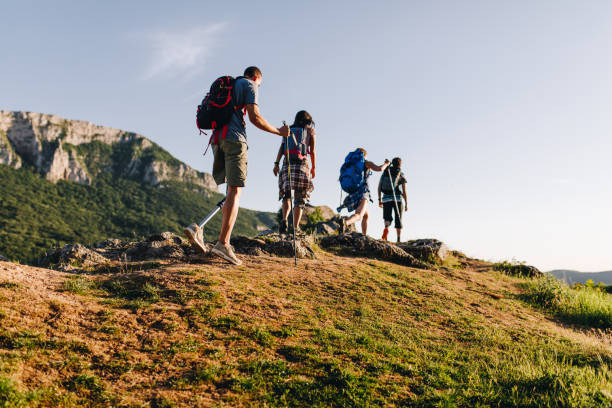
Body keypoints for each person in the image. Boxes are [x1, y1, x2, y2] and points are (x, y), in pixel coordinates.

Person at [185, 66, 289, 265]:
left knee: (230, 192)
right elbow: (254, 117)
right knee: (235, 191)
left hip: (217, 141)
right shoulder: (250, 85)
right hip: (234, 139)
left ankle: (199, 228)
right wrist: (278, 131)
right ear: (257, 77)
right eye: (260, 83)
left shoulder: (229, 86)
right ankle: (223, 244)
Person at [273, 111, 316, 234]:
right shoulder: (310, 132)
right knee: (300, 198)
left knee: (286, 195)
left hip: (287, 163)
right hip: (302, 165)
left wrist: (276, 164)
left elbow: (282, 148)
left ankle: (284, 220)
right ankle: (295, 227)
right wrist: (313, 168)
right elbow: (312, 151)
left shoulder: (288, 130)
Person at [339, 148, 389, 235]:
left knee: (366, 215)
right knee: (359, 215)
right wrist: (386, 164)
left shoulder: (351, 164)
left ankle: (364, 235)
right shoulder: (366, 163)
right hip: (363, 192)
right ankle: (346, 222)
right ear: (364, 155)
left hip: (354, 191)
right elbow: (380, 169)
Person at [378, 157, 407, 242]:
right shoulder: (401, 173)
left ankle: (386, 228)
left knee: (387, 217)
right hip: (397, 198)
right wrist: (406, 203)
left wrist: (379, 199)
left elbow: (379, 187)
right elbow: (404, 190)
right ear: (400, 164)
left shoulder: (385, 172)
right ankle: (398, 239)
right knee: (398, 218)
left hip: (386, 198)